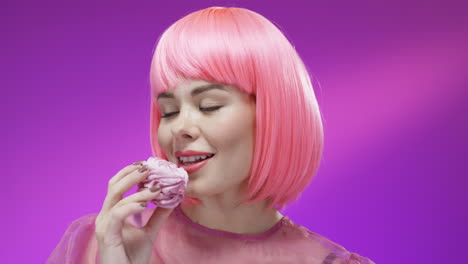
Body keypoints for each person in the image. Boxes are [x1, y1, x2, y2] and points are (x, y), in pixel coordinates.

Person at [47, 6, 376, 264]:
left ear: (273, 115)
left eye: (209, 105)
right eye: (169, 111)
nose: (179, 128)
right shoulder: (102, 242)